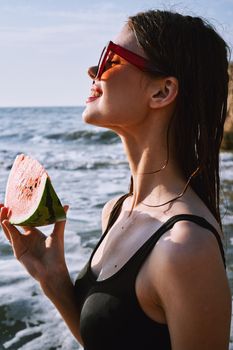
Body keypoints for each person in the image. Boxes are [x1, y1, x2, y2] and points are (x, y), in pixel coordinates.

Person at [0, 9, 232, 350]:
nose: (92, 70)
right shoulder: (116, 210)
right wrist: (53, 279)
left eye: (111, 57)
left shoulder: (187, 248)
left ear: (162, 92)